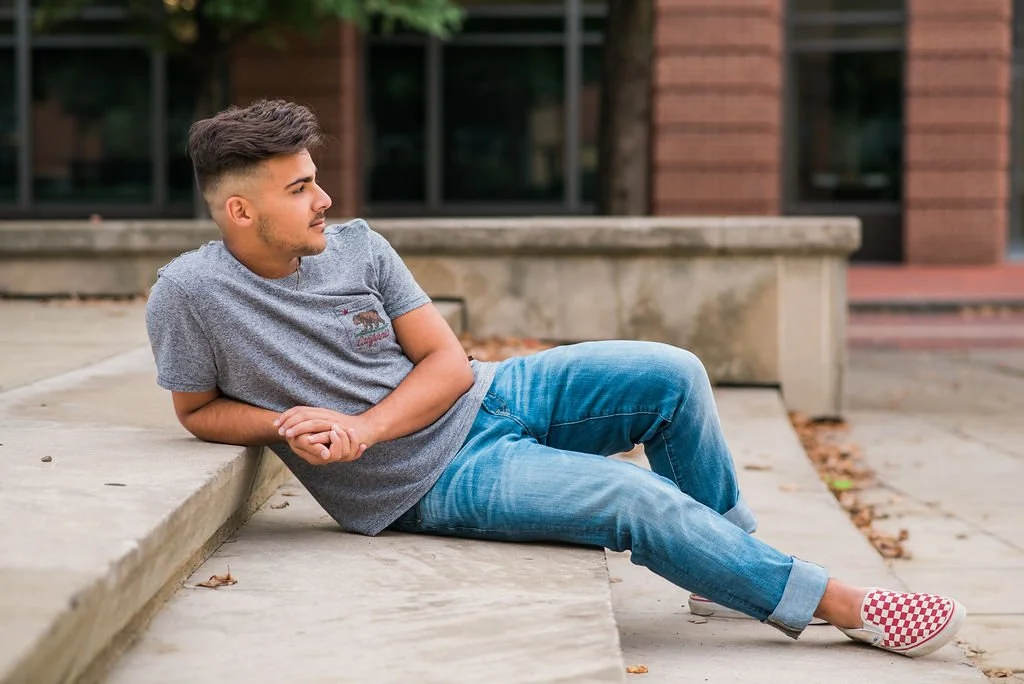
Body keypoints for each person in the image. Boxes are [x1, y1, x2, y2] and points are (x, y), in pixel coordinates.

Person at [145, 99, 965, 659]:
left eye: (316, 177)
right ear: (240, 212)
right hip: (424, 480)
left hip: (486, 397)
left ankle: (729, 567)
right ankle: (843, 606)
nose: (325, 197)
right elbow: (197, 409)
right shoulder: (190, 294)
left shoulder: (359, 245)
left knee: (669, 372)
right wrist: (287, 421)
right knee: (633, 498)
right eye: (300, 189)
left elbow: (449, 363)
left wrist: (362, 425)